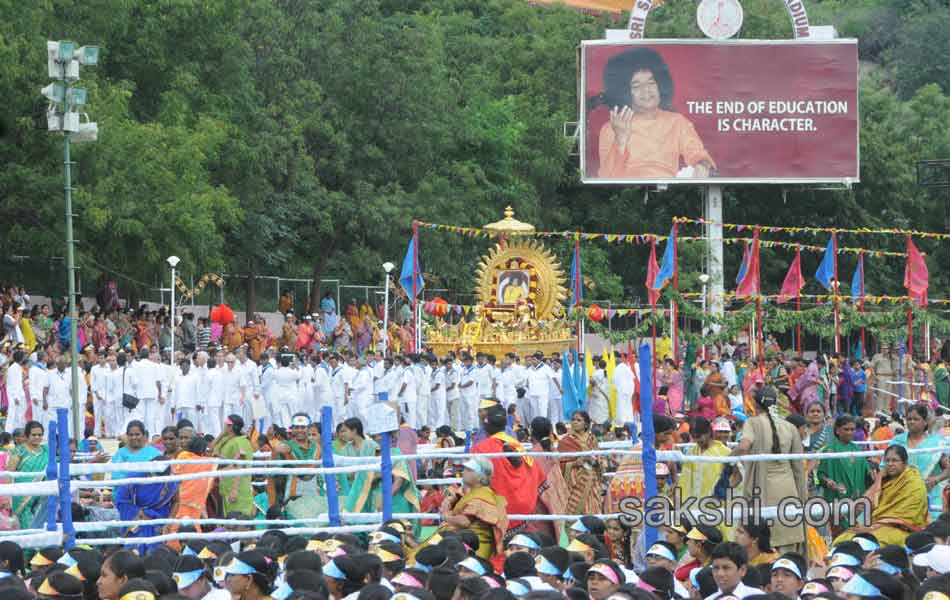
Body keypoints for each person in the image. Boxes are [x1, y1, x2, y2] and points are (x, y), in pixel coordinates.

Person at [595, 47, 714, 179]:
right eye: (636, 86)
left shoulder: (677, 122)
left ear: (661, 85)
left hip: (669, 192)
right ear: (625, 92)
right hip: (627, 193)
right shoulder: (611, 128)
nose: (646, 90)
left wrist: (702, 165)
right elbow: (606, 178)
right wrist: (620, 140)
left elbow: (698, 154)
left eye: (651, 83)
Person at [732, 386, 807, 555]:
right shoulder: (790, 427)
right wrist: (802, 496)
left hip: (762, 488)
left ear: (756, 405)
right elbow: (798, 467)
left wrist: (729, 458)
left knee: (762, 540)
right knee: (786, 541)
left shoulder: (752, 423)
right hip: (788, 489)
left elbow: (744, 446)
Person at [833, 445, 930, 547]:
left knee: (863, 542)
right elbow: (865, 502)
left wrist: (872, 528)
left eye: (894, 460)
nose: (890, 464)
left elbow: (907, 519)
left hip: (901, 529)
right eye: (887, 460)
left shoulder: (914, 482)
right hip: (878, 525)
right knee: (843, 538)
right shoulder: (884, 478)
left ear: (904, 463)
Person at [420, 458, 508, 561]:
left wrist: (446, 516)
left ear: (480, 477)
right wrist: (449, 500)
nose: (463, 472)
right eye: (465, 469)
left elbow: (464, 521)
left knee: (432, 553)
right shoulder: (471, 490)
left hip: (474, 545)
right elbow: (456, 494)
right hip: (458, 538)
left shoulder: (483, 495)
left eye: (469, 470)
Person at [891, 403, 949, 519]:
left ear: (925, 422)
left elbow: (948, 468)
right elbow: (885, 467)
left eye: (916, 419)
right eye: (909, 419)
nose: (911, 422)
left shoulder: (937, 443)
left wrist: (936, 479)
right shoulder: (897, 441)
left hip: (930, 496)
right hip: (902, 493)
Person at [816, 415, 872, 534]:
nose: (850, 432)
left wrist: (873, 473)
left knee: (857, 535)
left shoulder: (857, 450)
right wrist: (828, 482)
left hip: (857, 501)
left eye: (852, 429)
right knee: (840, 536)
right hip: (837, 500)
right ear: (837, 430)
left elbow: (867, 473)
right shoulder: (829, 450)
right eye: (846, 429)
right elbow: (820, 475)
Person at [268, 413, 327, 520]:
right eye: (296, 427)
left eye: (303, 427)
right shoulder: (285, 446)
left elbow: (321, 472)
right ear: (292, 429)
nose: (299, 430)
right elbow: (272, 472)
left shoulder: (317, 447)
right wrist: (276, 452)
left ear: (308, 428)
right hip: (293, 496)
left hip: (315, 494)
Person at [558, 411, 604, 516]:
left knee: (592, 510)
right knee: (575, 515)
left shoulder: (592, 439)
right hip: (575, 482)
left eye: (579, 420)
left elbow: (599, 457)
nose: (575, 422)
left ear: (586, 424)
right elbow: (559, 463)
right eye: (573, 420)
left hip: (592, 481)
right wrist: (576, 462)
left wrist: (597, 461)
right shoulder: (565, 441)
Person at [7, 421, 48, 529]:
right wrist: (6, 497)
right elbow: (8, 474)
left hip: (41, 494)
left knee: (42, 526)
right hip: (22, 496)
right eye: (33, 435)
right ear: (27, 436)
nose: (37, 437)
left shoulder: (45, 450)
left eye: (39, 435)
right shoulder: (19, 451)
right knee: (28, 527)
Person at [213, 414, 255, 516]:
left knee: (239, 522)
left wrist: (234, 490)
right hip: (226, 487)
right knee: (229, 523)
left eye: (225, 425)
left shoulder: (241, 441)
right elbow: (211, 448)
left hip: (237, 489)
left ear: (230, 426)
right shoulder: (227, 439)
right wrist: (222, 434)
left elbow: (239, 464)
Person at [337, 418, 379, 498]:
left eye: (345, 431)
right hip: (351, 491)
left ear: (354, 430)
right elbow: (345, 473)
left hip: (371, 489)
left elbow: (378, 469)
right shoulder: (344, 449)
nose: (343, 434)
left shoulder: (372, 446)